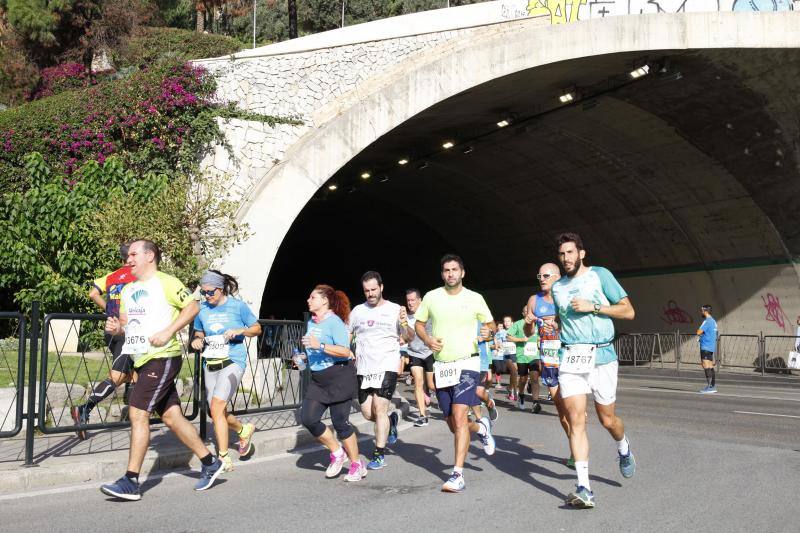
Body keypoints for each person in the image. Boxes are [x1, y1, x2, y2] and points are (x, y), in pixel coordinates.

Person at [100, 240, 222, 500]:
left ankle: (131, 481)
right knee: (172, 418)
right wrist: (117, 330)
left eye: (133, 254)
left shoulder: (166, 282)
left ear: (150, 256)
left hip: (163, 357)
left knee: (137, 413)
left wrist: (168, 331)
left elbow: (193, 307)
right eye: (128, 255)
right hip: (142, 359)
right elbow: (128, 325)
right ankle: (210, 462)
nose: (128, 259)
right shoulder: (129, 289)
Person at [551, 233, 636, 509]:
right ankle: (584, 488)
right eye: (562, 254)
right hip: (572, 357)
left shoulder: (600, 275)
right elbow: (560, 319)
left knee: (607, 420)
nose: (566, 258)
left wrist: (594, 306)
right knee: (576, 419)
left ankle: (623, 447)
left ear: (581, 254)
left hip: (602, 355)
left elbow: (628, 312)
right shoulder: (558, 288)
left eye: (570, 253)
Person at [414, 254, 496, 493]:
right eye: (446, 270)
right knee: (452, 423)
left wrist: (487, 334)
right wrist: (428, 339)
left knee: (460, 418)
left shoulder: (475, 298)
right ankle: (481, 428)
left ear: (463, 273)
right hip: (442, 366)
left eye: (454, 270)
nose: (451, 274)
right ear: (442, 274)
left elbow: (490, 325)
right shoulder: (431, 297)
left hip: (467, 364)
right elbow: (419, 323)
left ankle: (457, 474)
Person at [190, 270, 262, 472]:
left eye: (210, 292)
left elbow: (257, 329)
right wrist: (197, 339)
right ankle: (243, 429)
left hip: (233, 361)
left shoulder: (237, 306)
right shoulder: (202, 309)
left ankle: (223, 458)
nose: (207, 296)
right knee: (216, 412)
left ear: (220, 290)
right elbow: (199, 331)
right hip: (210, 362)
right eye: (203, 293)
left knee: (217, 404)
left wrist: (241, 331)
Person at [299, 284, 365, 482]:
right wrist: (304, 357)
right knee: (309, 419)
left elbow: (345, 351)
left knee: (340, 424)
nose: (308, 300)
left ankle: (356, 465)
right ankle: (337, 452)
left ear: (324, 301)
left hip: (339, 376)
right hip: (319, 380)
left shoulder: (334, 322)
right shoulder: (312, 322)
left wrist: (320, 345)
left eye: (312, 297)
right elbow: (315, 349)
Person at [348, 271, 413, 470]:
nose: (370, 294)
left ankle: (379, 454)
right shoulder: (358, 311)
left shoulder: (395, 309)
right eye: (367, 290)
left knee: (380, 408)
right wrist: (346, 350)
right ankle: (392, 421)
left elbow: (409, 336)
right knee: (368, 413)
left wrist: (403, 324)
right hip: (364, 368)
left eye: (374, 289)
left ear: (381, 287)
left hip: (386, 365)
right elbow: (349, 333)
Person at [72, 242, 136, 440]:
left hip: (111, 328)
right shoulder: (138, 276)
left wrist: (110, 311)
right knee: (118, 376)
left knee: (133, 375)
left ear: (120, 260)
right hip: (127, 330)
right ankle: (84, 408)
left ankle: (137, 420)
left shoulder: (112, 276)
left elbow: (93, 293)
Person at [525, 263, 572, 464]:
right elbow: (528, 333)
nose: (542, 279)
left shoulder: (567, 297)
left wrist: (559, 326)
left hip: (570, 357)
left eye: (546, 275)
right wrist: (528, 323)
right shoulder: (534, 301)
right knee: (561, 408)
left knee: (572, 408)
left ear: (557, 277)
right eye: (539, 275)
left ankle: (577, 454)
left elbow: (579, 326)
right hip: (549, 360)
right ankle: (574, 446)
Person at [406, 288, 435, 427]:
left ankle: (450, 400)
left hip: (429, 352)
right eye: (408, 300)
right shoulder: (405, 317)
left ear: (420, 300)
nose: (410, 303)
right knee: (418, 382)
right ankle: (422, 416)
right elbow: (404, 336)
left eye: (413, 300)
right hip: (414, 353)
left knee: (431, 385)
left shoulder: (429, 314)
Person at [506, 307, 541, 412]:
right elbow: (508, 336)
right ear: (523, 313)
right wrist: (521, 339)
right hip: (522, 355)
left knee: (535, 378)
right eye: (526, 311)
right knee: (523, 379)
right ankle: (521, 395)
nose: (528, 313)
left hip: (534, 355)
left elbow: (541, 336)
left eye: (530, 312)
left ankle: (535, 403)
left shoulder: (537, 323)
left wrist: (540, 340)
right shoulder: (518, 324)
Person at [697, 305, 718, 394]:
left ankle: (709, 387)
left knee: (706, 366)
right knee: (710, 366)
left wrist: (701, 335)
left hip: (705, 346)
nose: (701, 312)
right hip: (711, 346)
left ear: (705, 311)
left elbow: (698, 332)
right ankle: (713, 386)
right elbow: (716, 333)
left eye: (702, 310)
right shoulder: (714, 321)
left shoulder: (706, 321)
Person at [500, 316, 519, 400]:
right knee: (514, 370)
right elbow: (497, 342)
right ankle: (515, 391)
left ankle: (510, 388)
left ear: (512, 323)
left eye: (508, 321)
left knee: (514, 372)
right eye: (505, 321)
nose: (506, 323)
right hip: (506, 354)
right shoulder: (501, 332)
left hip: (514, 353)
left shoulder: (516, 331)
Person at [491, 323, 507, 389]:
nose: (501, 327)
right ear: (497, 327)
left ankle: (492, 374)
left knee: (503, 369)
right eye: (499, 326)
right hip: (495, 354)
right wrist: (496, 346)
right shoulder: (493, 334)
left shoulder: (504, 333)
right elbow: (490, 345)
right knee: (498, 368)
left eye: (502, 326)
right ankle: (498, 383)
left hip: (502, 354)